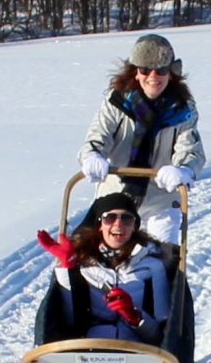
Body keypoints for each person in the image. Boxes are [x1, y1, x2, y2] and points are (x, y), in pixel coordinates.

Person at [80, 33, 203, 245]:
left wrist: (182, 170)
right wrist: (92, 155)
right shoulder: (117, 103)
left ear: (171, 73)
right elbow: (98, 136)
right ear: (136, 72)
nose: (153, 76)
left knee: (162, 259)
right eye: (145, 69)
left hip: (160, 200)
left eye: (161, 70)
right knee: (88, 255)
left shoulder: (183, 110)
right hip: (116, 196)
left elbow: (191, 150)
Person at [36, 193, 172, 342]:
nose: (118, 224)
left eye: (126, 218)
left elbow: (161, 334)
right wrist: (66, 266)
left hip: (135, 350)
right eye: (110, 217)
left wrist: (133, 315)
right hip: (89, 348)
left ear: (134, 226)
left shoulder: (153, 266)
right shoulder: (83, 263)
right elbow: (70, 322)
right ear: (100, 225)